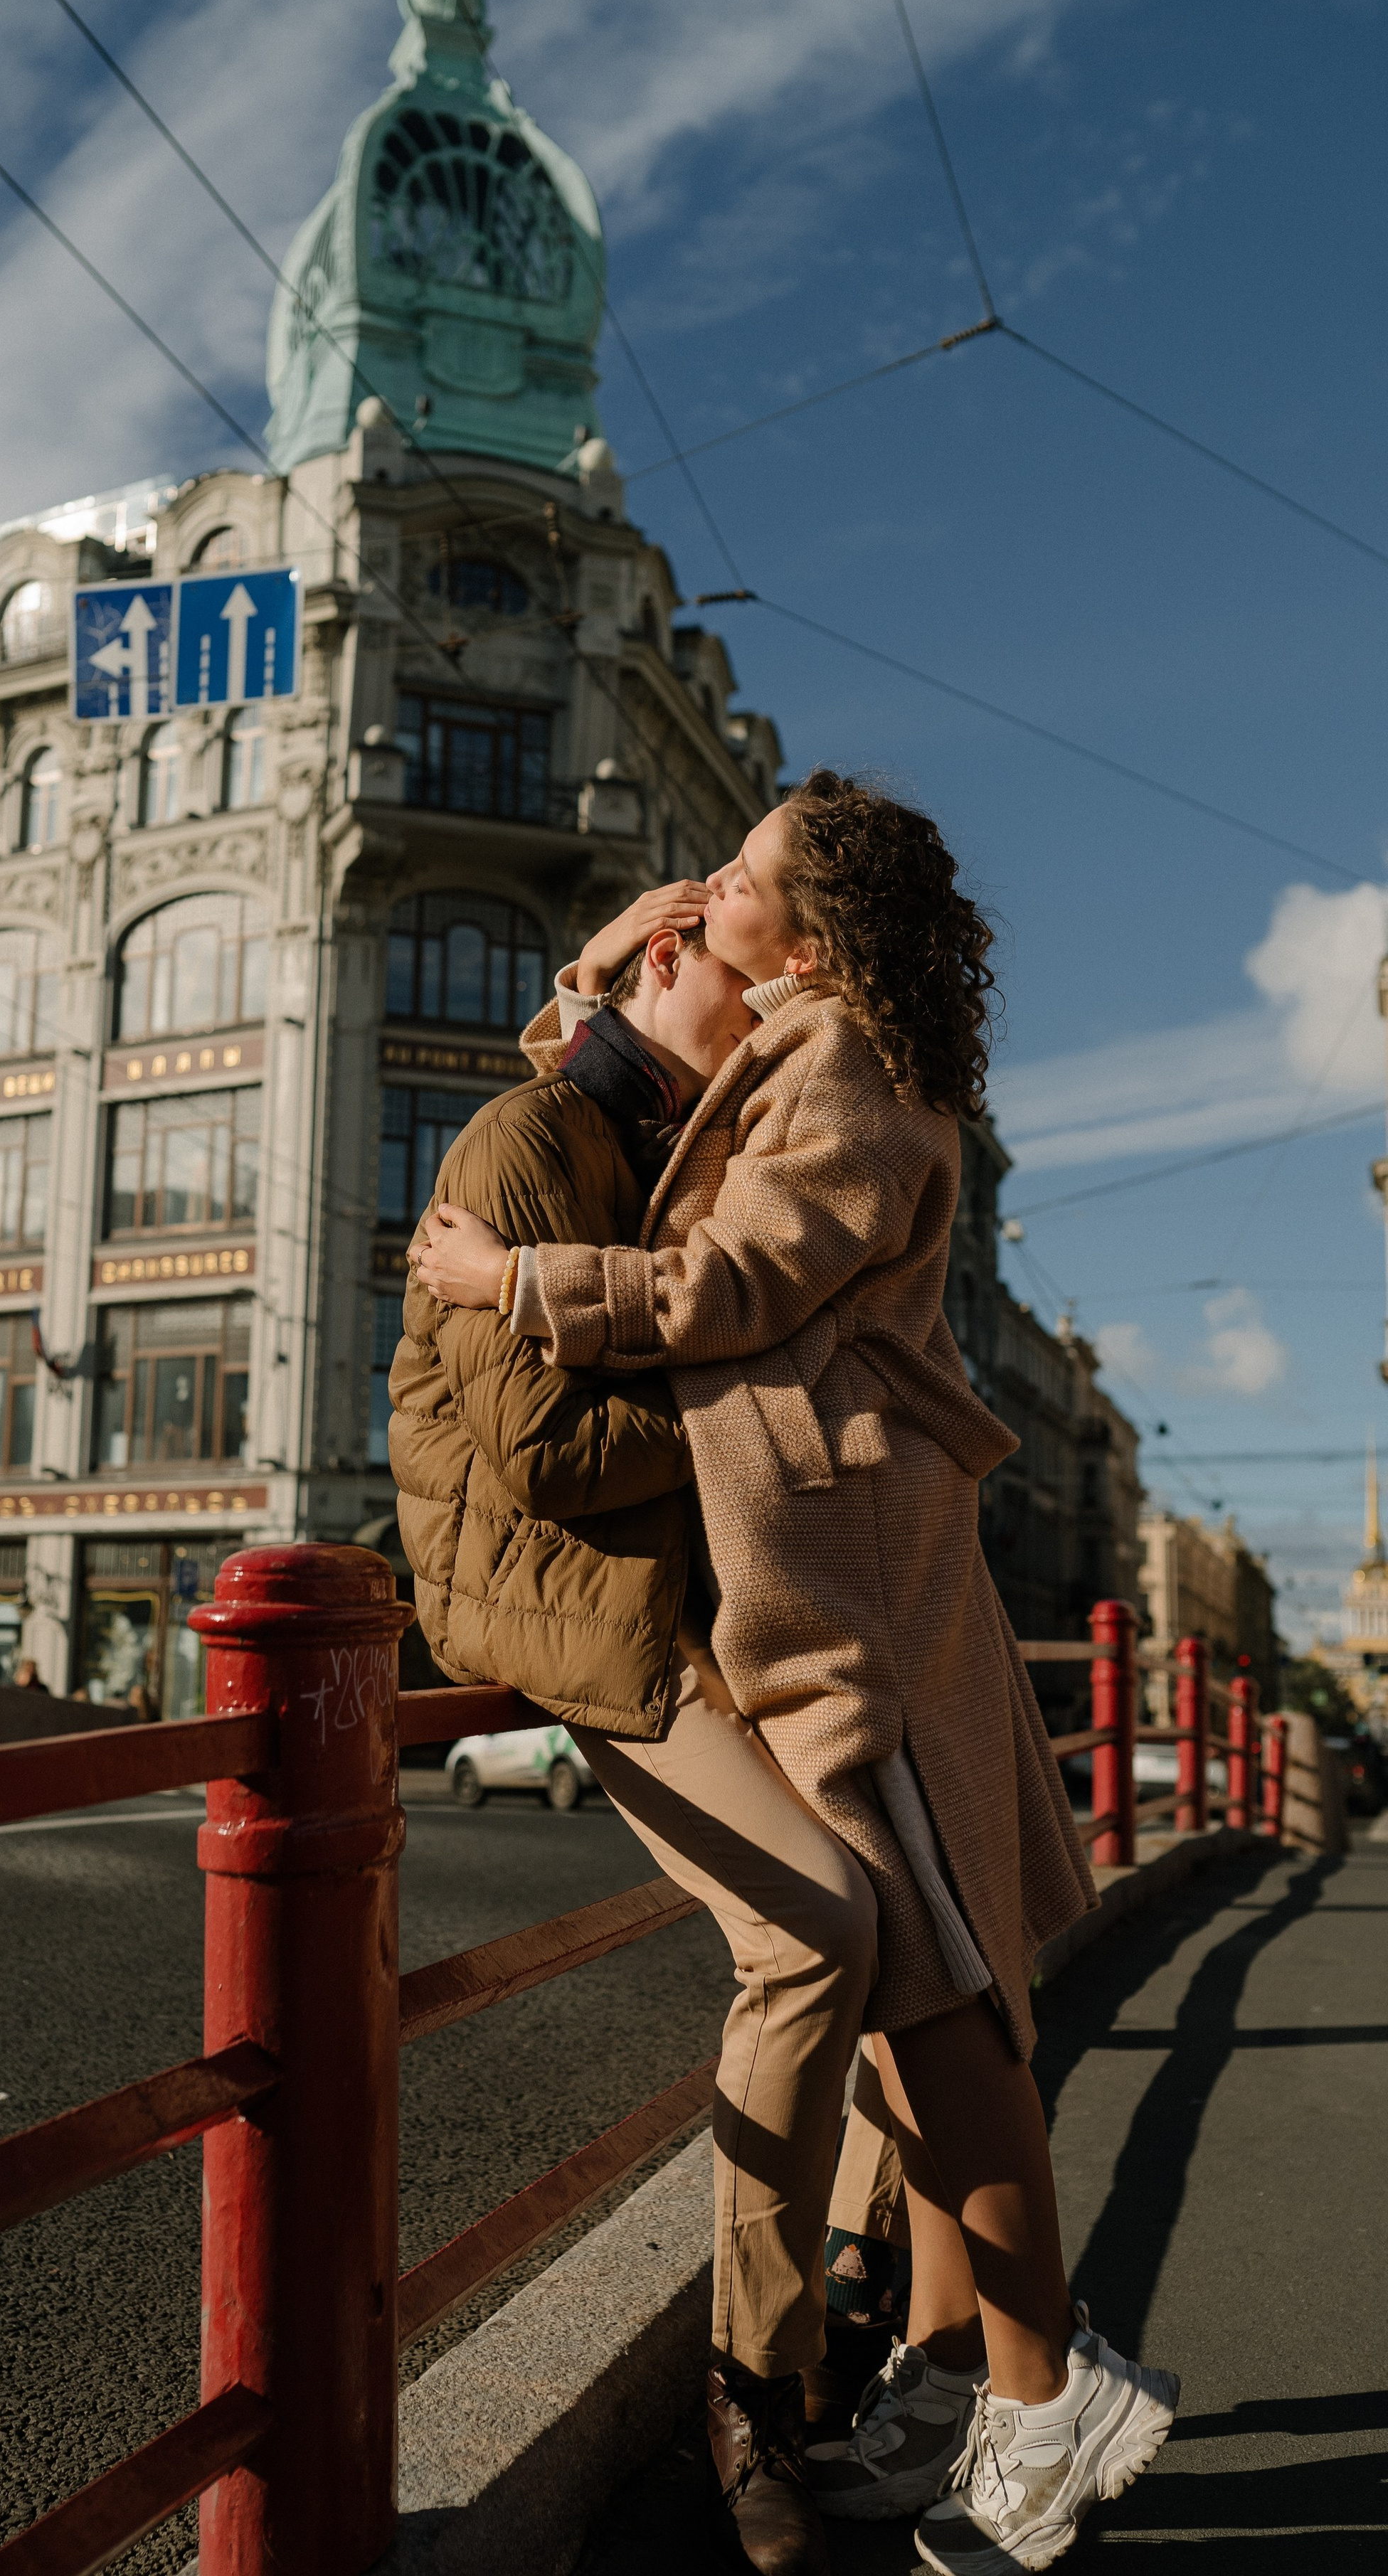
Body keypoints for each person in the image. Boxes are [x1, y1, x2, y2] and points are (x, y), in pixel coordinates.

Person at [410, 772, 1180, 2574]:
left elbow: (720, 1286)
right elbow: (625, 1091)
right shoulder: (820, 1037)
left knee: (938, 1999)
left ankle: (1044, 2396)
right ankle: (945, 2372)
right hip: (832, 1576)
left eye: (736, 877)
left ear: (812, 944)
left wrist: (514, 1283)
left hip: (845, 1592)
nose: (697, 894)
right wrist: (594, 968)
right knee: (925, 1989)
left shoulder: (838, 1065)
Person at [393, 921, 904, 2573]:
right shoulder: (525, 1141)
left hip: (710, 1589)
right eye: (750, 965)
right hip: (572, 1597)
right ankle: (754, 2385)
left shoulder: (691, 1147)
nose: (769, 1003)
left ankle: (851, 2290)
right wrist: (748, 1421)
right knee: (815, 1928)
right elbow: (541, 1453)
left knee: (916, 1912)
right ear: (669, 955)